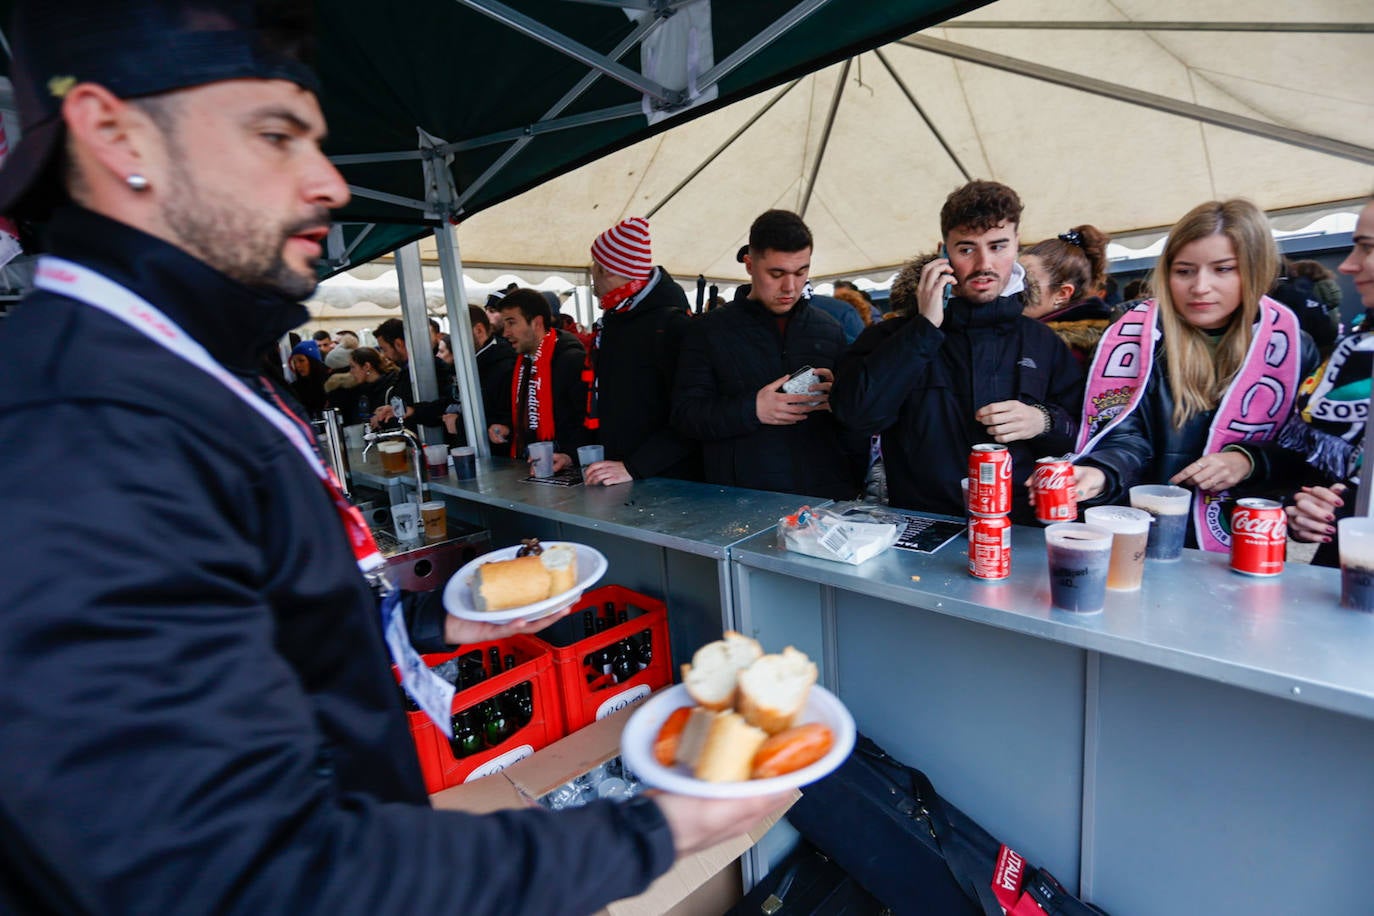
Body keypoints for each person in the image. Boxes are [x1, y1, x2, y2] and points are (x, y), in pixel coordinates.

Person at [0, 5, 783, 911]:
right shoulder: (79, 426)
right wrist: (651, 830)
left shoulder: (187, 369)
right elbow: (241, 876)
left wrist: (429, 627)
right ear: (114, 133)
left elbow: (271, 641)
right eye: (275, 135)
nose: (330, 184)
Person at [1066, 199, 1319, 552]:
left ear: (1256, 269)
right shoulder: (1138, 337)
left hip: (1240, 542)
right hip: (1138, 535)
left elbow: (1306, 450)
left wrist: (1249, 460)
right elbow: (1123, 432)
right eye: (1184, 271)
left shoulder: (1292, 346)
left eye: (1223, 269)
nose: (1200, 287)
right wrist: (1100, 472)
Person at [830, 180, 1084, 523]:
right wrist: (924, 328)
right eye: (966, 249)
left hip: (1021, 532)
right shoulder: (894, 334)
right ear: (943, 253)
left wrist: (1044, 421)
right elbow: (855, 416)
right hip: (921, 532)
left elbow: (1083, 433)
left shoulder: (1044, 342)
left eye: (998, 247)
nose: (984, 264)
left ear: (1016, 247)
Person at [673, 210, 858, 499]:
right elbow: (685, 416)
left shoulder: (829, 328)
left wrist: (843, 399)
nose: (790, 287)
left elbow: (856, 421)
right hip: (743, 502)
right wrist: (753, 409)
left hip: (824, 497)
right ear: (749, 264)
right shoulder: (708, 331)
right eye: (776, 273)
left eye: (801, 272)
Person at [576, 216, 700, 485]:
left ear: (607, 270)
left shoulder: (671, 325)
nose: (592, 277)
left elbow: (692, 414)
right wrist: (571, 453)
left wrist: (635, 467)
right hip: (619, 476)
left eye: (594, 268)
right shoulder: (617, 318)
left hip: (668, 484)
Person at [1285, 196, 1374, 564]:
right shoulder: (1355, 350)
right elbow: (1316, 469)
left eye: (1366, 247)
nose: (1349, 265)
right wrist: (1307, 508)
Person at [490, 287, 589, 460]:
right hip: (533, 463)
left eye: (511, 322)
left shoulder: (571, 360)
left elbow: (586, 421)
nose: (505, 333)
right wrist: (506, 426)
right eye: (505, 324)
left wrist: (570, 456)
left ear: (536, 323)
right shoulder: (522, 362)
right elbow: (526, 413)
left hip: (567, 470)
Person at [1019, 225, 1114, 367]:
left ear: (1062, 294)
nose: (1015, 288)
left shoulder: (1059, 351)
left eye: (1027, 282)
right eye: (1014, 276)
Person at [288, 340, 330, 416]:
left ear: (313, 361)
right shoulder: (294, 388)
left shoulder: (330, 383)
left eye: (301, 360)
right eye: (294, 362)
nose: (297, 365)